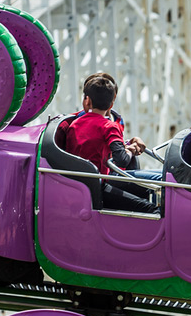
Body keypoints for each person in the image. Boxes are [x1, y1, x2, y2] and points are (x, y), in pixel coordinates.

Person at [64, 75, 157, 213]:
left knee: (145, 189)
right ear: (111, 104)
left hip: (77, 185)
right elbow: (122, 160)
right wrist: (129, 150)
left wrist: (126, 146)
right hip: (98, 185)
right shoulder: (109, 126)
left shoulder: (74, 124)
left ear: (87, 101)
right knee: (152, 208)